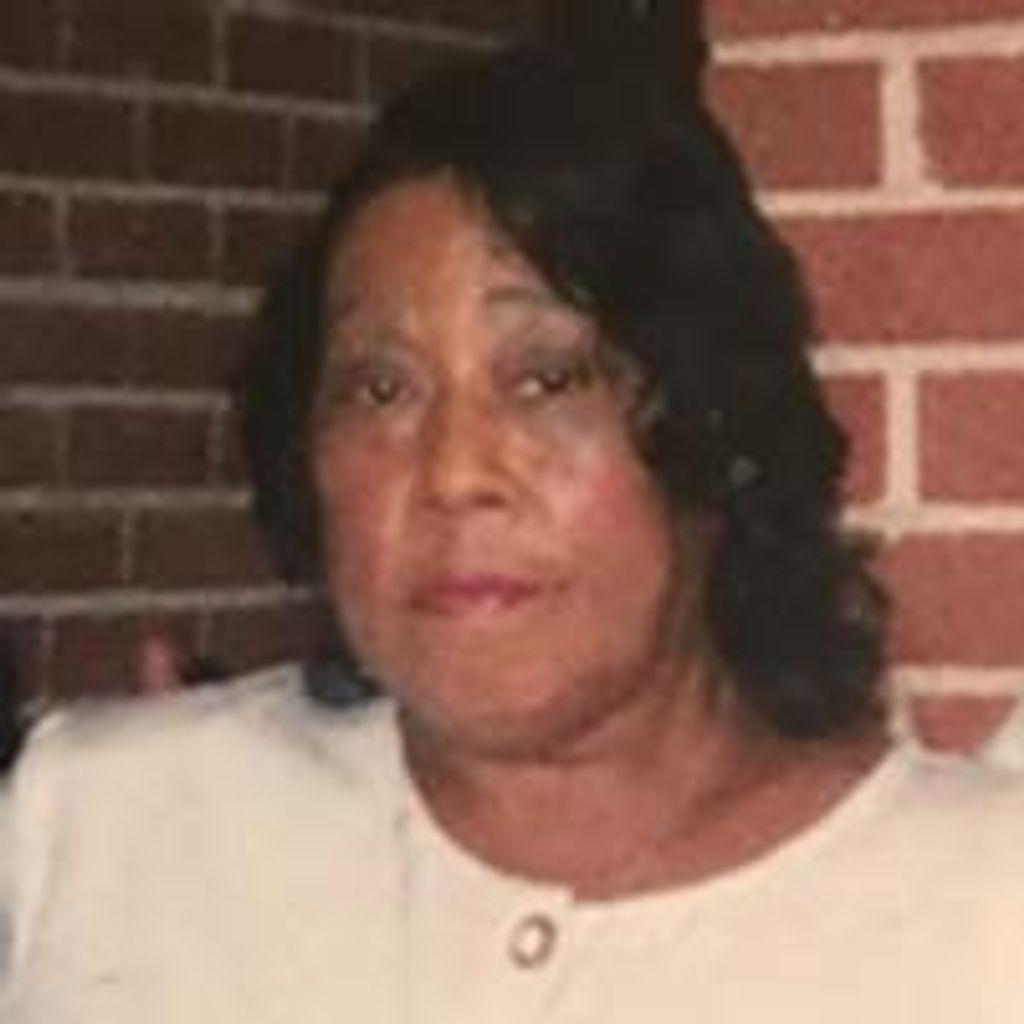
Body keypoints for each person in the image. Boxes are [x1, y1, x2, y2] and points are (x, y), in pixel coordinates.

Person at [2, 40, 1023, 1023]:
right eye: (381, 388)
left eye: (548, 379)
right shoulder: (103, 824)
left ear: (720, 432)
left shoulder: (979, 911)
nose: (453, 473)